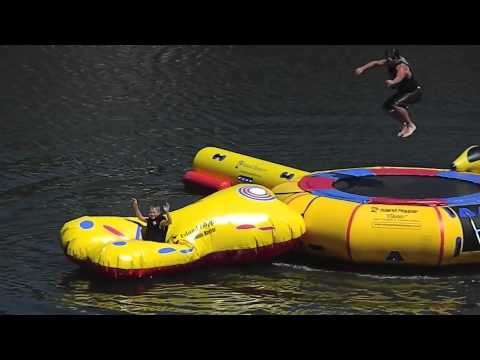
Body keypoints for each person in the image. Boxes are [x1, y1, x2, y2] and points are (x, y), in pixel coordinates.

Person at [355, 48, 423, 138]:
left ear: (396, 58)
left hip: (414, 92)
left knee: (396, 105)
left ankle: (410, 125)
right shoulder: (390, 61)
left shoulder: (402, 67)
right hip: (403, 92)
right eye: (388, 59)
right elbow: (376, 63)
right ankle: (405, 124)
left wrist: (393, 82)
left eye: (391, 60)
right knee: (387, 107)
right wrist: (362, 68)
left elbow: (399, 77)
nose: (389, 62)